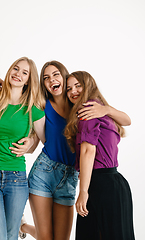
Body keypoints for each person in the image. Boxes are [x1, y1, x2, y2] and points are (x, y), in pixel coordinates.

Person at [18, 61, 131, 240]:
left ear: (64, 77)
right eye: (46, 77)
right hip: (44, 172)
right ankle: (23, 226)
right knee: (46, 237)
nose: (51, 80)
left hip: (69, 175)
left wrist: (106, 109)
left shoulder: (81, 107)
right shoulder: (42, 104)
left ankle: (23, 226)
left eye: (55, 75)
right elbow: (36, 132)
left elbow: (126, 120)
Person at [0, 57, 45, 240]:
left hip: (16, 177)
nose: (18, 74)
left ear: (28, 80)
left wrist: (31, 143)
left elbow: (44, 140)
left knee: (10, 235)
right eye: (16, 69)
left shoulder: (33, 109)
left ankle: (22, 227)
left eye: (25, 72)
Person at [64, 71, 135, 240]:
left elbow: (89, 151)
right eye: (69, 88)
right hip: (116, 183)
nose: (73, 91)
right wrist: (107, 109)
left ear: (88, 85)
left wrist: (83, 191)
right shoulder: (100, 110)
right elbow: (127, 121)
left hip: (99, 184)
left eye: (77, 85)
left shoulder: (88, 110)